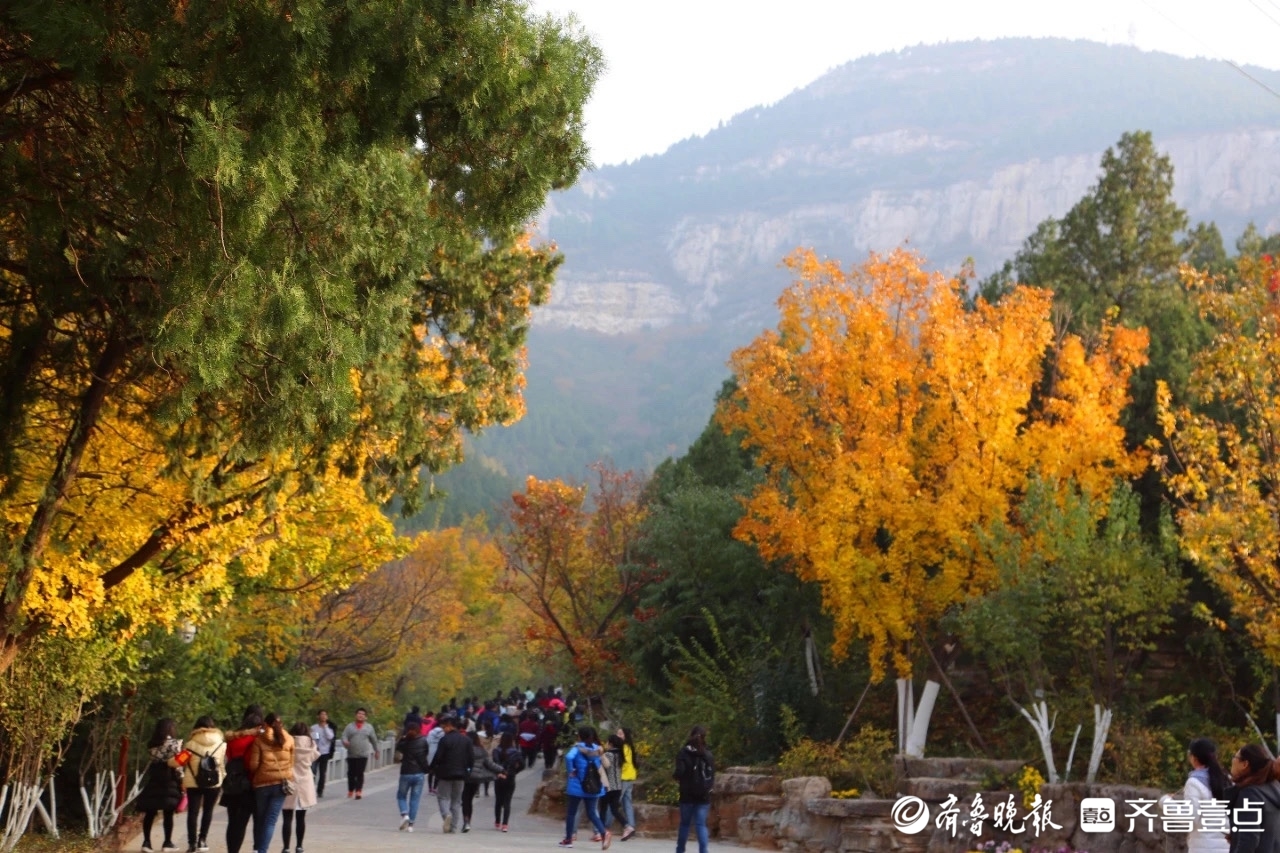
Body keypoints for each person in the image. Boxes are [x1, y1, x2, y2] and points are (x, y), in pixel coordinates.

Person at [174, 715, 225, 853]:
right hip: (214, 782)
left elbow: (178, 762)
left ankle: (192, 844)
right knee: (208, 811)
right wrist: (223, 777)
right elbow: (221, 765)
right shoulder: (221, 744)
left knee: (193, 813)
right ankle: (203, 840)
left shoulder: (190, 745)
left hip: (193, 783)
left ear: (196, 728)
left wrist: (169, 761)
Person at [245, 713, 295, 853]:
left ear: (265, 724)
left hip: (262, 784)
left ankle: (258, 848)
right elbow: (291, 763)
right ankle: (262, 850)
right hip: (281, 783)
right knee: (271, 820)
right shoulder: (289, 739)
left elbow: (253, 766)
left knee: (260, 818)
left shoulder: (259, 740)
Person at [137, 718, 184, 853]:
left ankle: (146, 843)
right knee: (168, 813)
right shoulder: (175, 744)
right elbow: (178, 765)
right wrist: (182, 782)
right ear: (171, 729)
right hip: (169, 780)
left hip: (155, 779)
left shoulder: (152, 745)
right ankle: (167, 843)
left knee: (150, 812)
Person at [559, 726, 609, 849]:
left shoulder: (577, 748)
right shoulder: (597, 749)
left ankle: (569, 839)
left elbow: (568, 757)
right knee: (592, 812)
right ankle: (604, 833)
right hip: (593, 786)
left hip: (577, 786)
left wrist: (571, 770)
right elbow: (603, 764)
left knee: (571, 813)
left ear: (580, 736)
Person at [221, 710, 263, 853]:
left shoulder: (232, 739)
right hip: (247, 785)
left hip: (231, 782)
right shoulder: (255, 740)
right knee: (243, 821)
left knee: (232, 821)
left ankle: (231, 850)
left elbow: (227, 758)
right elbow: (253, 763)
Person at [1228, 743, 1280, 853]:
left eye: (1235, 757)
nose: (1232, 760)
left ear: (1245, 764)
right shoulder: (1275, 788)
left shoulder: (1250, 794)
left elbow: (1249, 838)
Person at [673, 725, 714, 853]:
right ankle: (703, 850)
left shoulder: (684, 752)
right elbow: (712, 775)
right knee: (701, 825)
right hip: (703, 795)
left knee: (685, 824)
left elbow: (680, 772)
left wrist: (675, 777)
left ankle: (680, 850)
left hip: (687, 794)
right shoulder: (708, 754)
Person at [429, 715, 471, 833]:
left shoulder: (445, 740)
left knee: (443, 797)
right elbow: (471, 759)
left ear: (449, 726)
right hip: (461, 774)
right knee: (456, 801)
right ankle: (453, 827)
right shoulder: (466, 740)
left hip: (445, 773)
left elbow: (438, 756)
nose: (443, 730)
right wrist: (468, 771)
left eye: (444, 727)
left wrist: (431, 768)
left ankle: (446, 815)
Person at [281, 722, 318, 853]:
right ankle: (299, 846)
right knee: (301, 818)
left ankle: (286, 847)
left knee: (287, 817)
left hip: (289, 780)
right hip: (305, 782)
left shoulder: (288, 742)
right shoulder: (311, 744)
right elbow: (315, 757)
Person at [461, 730, 504, 832]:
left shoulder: (464, 750)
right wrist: (501, 770)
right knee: (470, 801)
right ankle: (468, 822)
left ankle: (466, 821)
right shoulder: (481, 750)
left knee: (465, 800)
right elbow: (490, 764)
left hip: (466, 777)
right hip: (476, 778)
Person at [395, 721, 430, 832]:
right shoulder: (424, 741)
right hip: (419, 773)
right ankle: (411, 825)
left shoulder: (405, 742)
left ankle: (405, 814)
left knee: (401, 796)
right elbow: (426, 754)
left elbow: (398, 748)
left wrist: (402, 738)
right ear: (419, 730)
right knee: (415, 800)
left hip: (406, 772)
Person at [598, 734, 633, 840]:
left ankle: (602, 831)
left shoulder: (608, 755)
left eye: (607, 742)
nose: (606, 744)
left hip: (608, 786)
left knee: (603, 809)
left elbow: (604, 766)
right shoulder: (620, 755)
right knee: (614, 809)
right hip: (617, 786)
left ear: (611, 743)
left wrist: (601, 755)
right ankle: (627, 826)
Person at [340, 708, 379, 799]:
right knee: (351, 773)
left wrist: (376, 750)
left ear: (366, 717)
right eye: (359, 713)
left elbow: (374, 739)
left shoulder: (369, 727)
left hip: (363, 754)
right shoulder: (350, 726)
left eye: (363, 714)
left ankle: (358, 791)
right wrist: (345, 742)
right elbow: (344, 736)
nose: (360, 715)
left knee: (360, 772)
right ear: (355, 715)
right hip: (351, 753)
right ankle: (351, 789)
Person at [492, 731, 523, 832]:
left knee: (498, 800)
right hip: (510, 778)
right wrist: (514, 772)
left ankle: (497, 821)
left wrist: (498, 773)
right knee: (507, 801)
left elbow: (494, 764)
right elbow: (522, 765)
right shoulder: (516, 753)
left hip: (499, 777)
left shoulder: (496, 751)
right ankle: (505, 824)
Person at [616, 727, 638, 841]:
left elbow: (621, 765)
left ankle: (604, 828)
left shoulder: (622, 748)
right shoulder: (630, 747)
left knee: (614, 803)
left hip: (623, 778)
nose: (618, 735)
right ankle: (631, 826)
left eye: (620, 733)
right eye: (617, 733)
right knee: (627, 803)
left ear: (625, 735)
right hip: (631, 777)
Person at [309, 711, 336, 799]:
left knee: (322, 772)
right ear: (318, 716)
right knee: (313, 771)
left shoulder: (330, 728)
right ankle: (310, 789)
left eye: (325, 714)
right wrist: (315, 747)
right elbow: (313, 739)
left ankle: (320, 791)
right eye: (322, 715)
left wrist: (325, 727)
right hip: (315, 752)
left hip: (325, 753)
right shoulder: (314, 727)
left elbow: (330, 737)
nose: (323, 716)